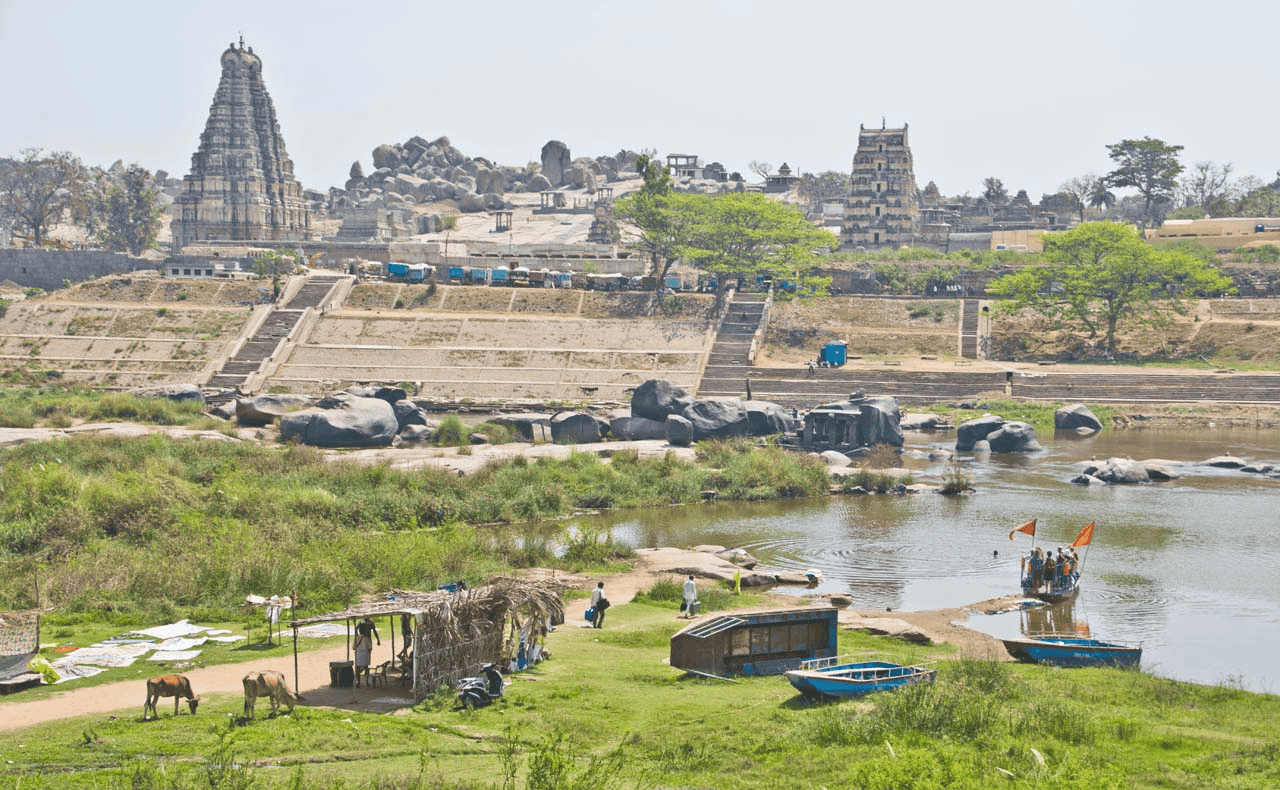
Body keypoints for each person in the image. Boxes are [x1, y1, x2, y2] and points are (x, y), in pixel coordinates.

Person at [353, 616, 380, 687]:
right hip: (366, 650)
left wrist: (357, 632)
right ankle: (367, 682)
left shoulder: (357, 637)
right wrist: (378, 640)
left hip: (359, 652)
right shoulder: (370, 624)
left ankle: (358, 682)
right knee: (366, 667)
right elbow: (374, 632)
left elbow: (354, 647)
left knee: (358, 667)